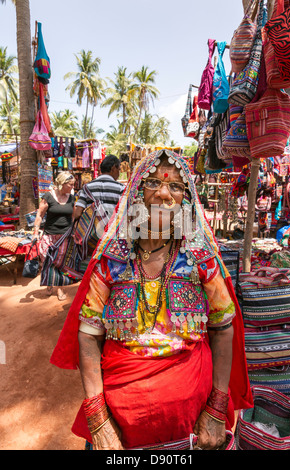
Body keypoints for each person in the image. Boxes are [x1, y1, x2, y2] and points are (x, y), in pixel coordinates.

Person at [50, 150, 253, 450]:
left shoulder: (202, 260)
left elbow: (223, 329)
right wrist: (98, 420)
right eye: (152, 183)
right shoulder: (111, 262)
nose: (163, 194)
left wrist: (216, 409)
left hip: (192, 424)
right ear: (135, 193)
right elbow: (88, 335)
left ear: (186, 199)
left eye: (175, 186)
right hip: (120, 427)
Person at [33, 171, 75, 301]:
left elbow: (73, 216)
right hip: (49, 234)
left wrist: (73, 231)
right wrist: (35, 232)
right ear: (62, 184)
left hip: (65, 236)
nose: (72, 187)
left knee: (61, 262)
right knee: (46, 258)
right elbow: (39, 215)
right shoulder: (48, 197)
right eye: (70, 185)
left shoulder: (72, 198)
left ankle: (60, 288)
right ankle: (50, 282)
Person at [73, 155, 125, 222]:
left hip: (91, 231)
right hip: (111, 230)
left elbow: (77, 214)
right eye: (119, 170)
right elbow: (123, 213)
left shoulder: (86, 188)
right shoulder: (121, 188)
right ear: (113, 168)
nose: (119, 173)